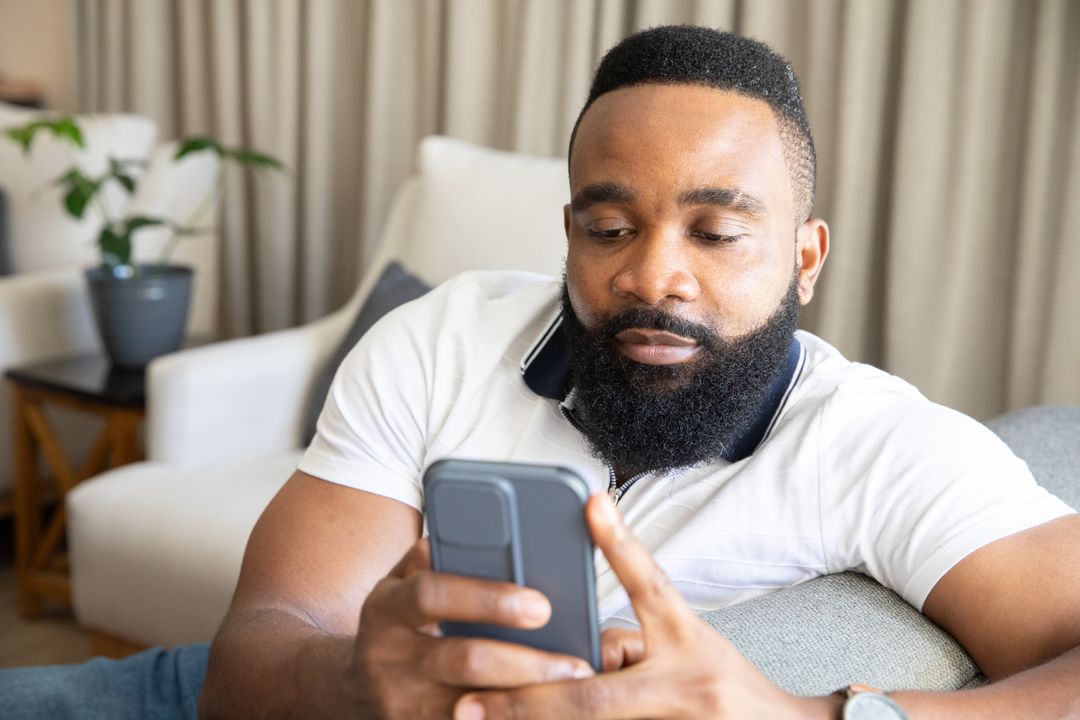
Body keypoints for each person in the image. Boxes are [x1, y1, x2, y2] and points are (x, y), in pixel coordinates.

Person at [3, 25, 1077, 720]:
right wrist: (352, 677)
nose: (652, 276)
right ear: (568, 233)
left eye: (716, 234)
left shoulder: (879, 445)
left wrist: (802, 715)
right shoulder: (442, 339)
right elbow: (248, 658)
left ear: (806, 258)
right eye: (610, 228)